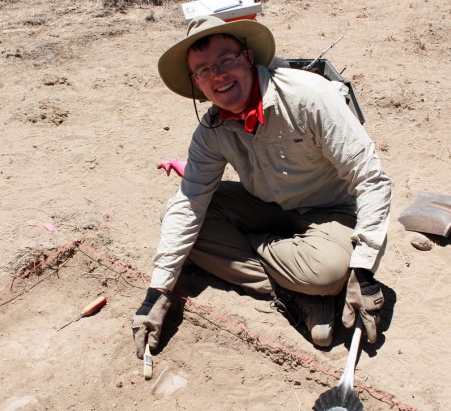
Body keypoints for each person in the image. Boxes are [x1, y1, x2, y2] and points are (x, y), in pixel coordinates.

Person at [131, 16, 391, 359]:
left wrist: (363, 267)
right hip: (264, 207)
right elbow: (190, 201)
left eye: (226, 60)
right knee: (177, 218)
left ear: (248, 57)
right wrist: (158, 290)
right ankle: (293, 295)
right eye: (205, 70)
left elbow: (371, 178)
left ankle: (309, 284)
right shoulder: (211, 130)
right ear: (196, 82)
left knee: (328, 271)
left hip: (331, 212)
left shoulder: (309, 96)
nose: (218, 76)